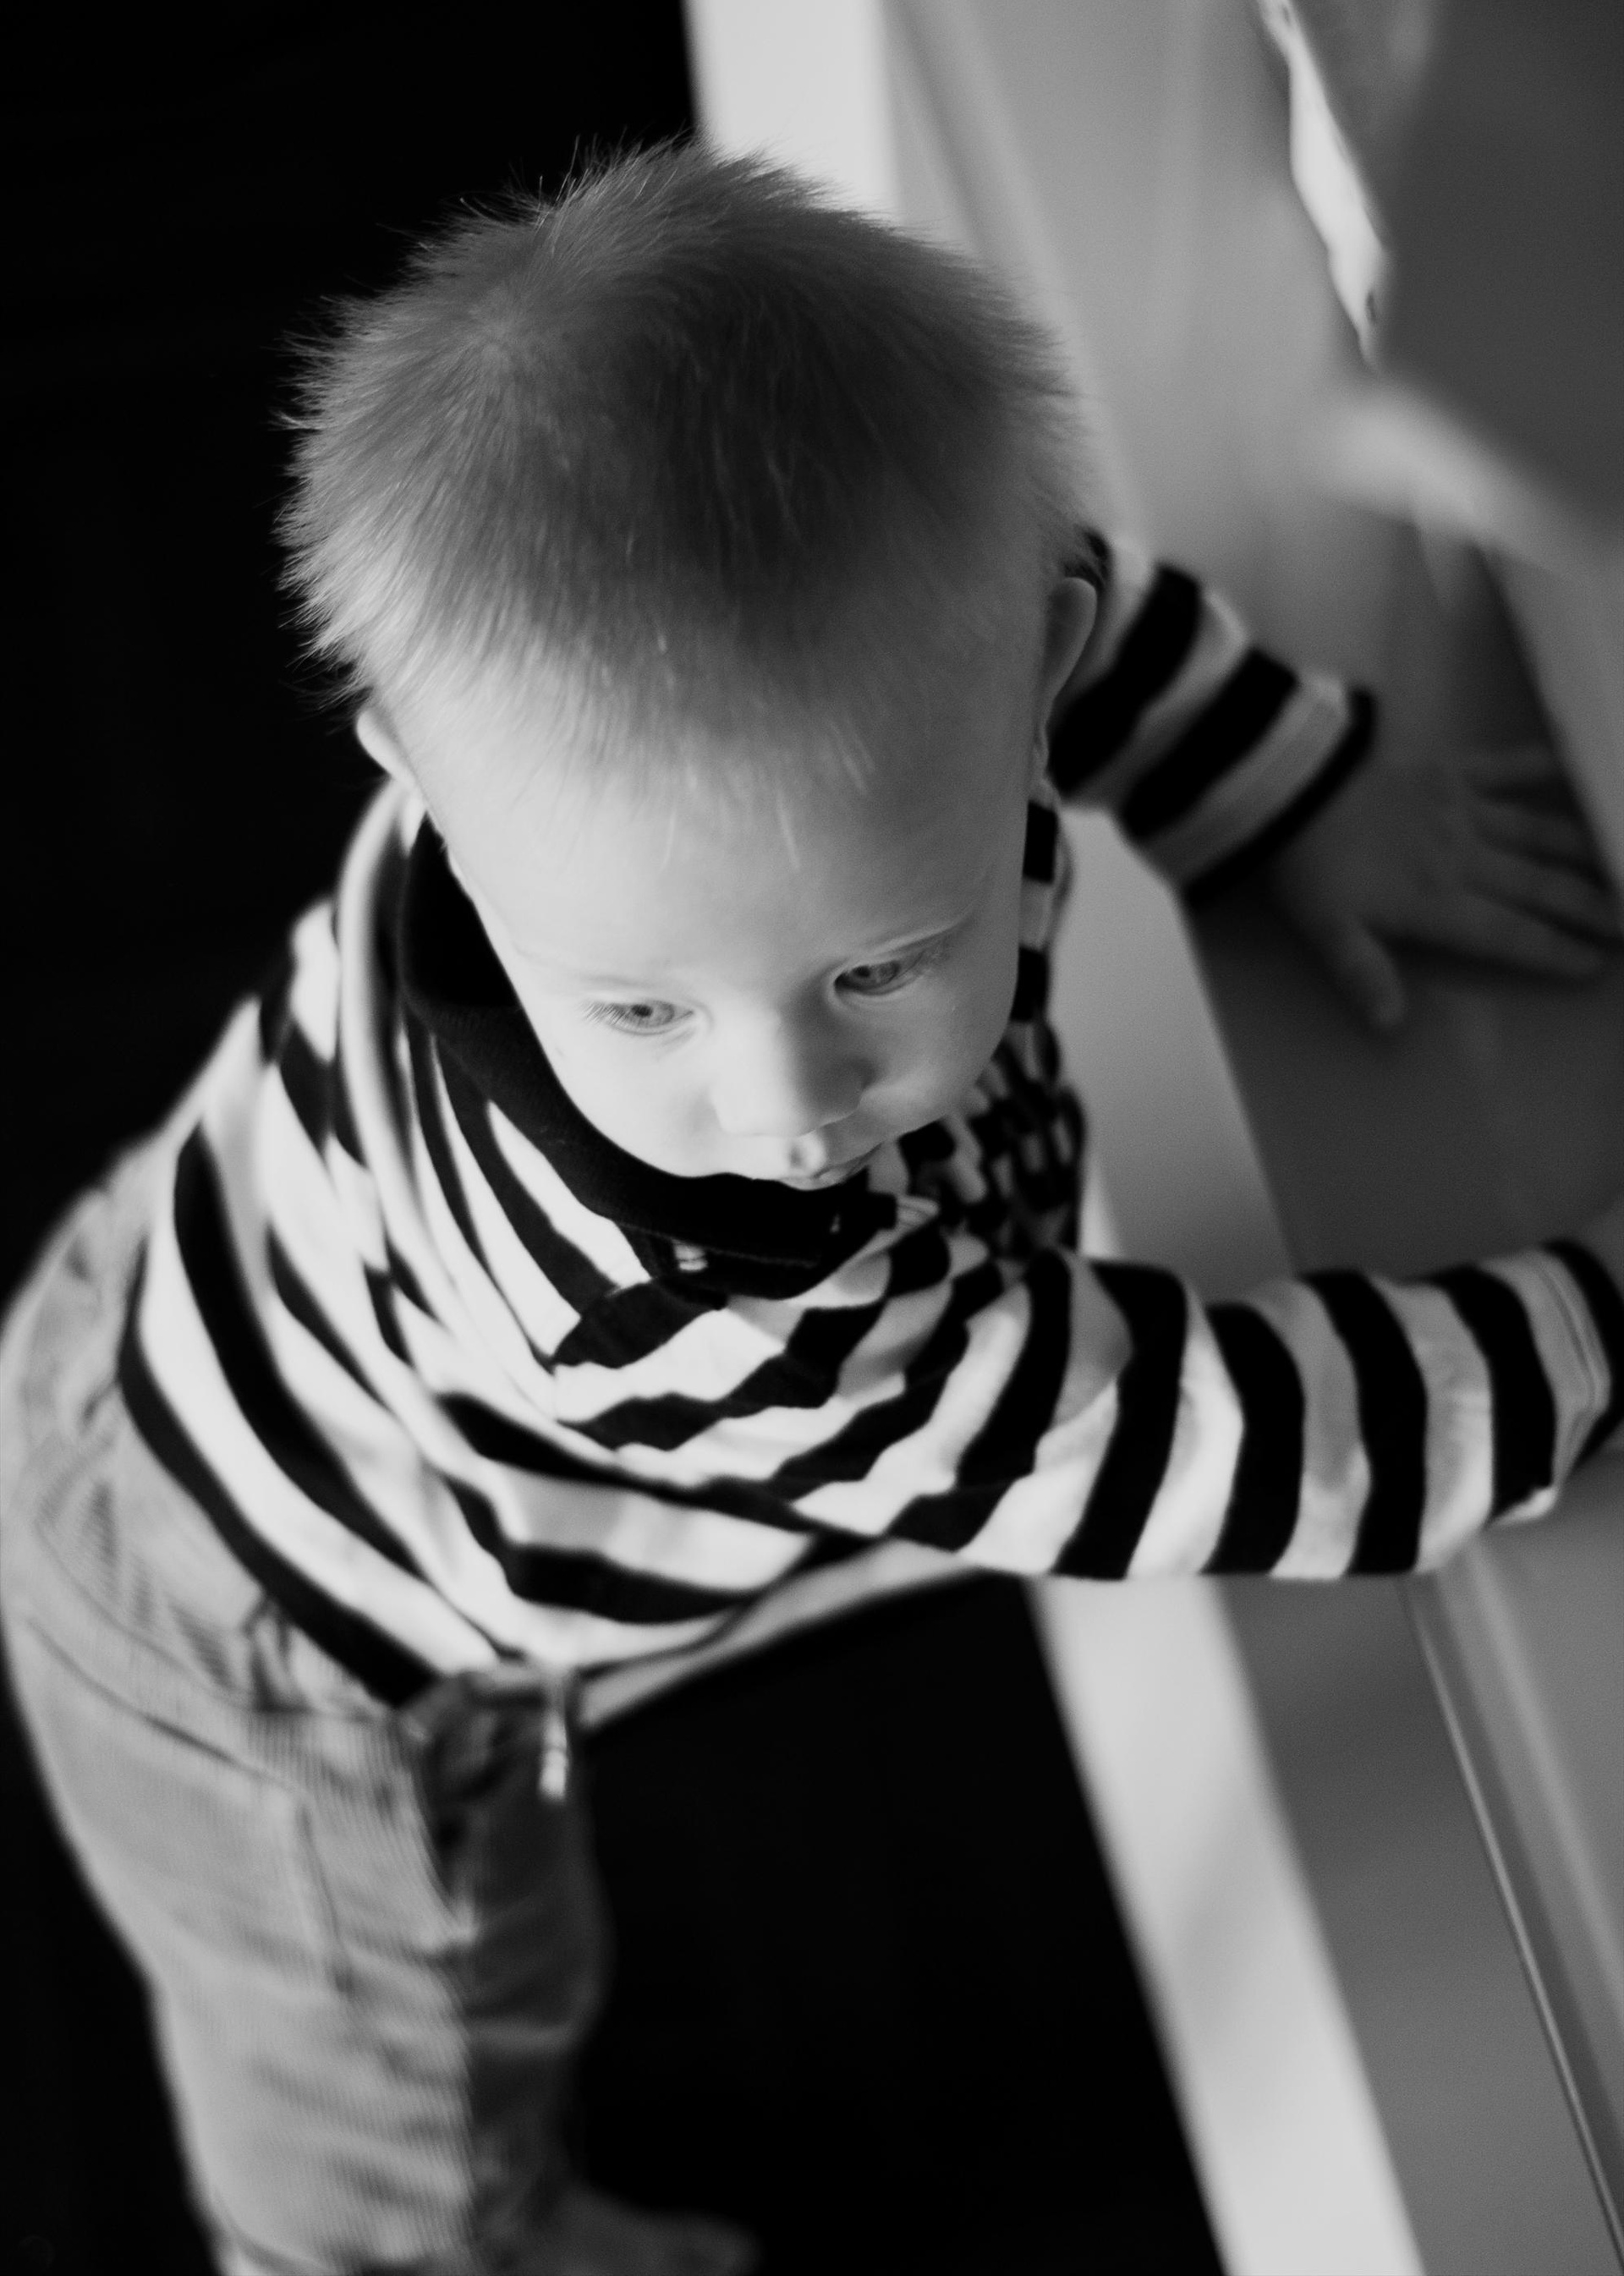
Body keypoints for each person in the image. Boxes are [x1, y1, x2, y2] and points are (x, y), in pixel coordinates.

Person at [3, 145, 1621, 2276]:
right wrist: (1594, 1330)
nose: (784, 1106)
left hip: (185, 1300)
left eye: (877, 968)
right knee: (412, 2058)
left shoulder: (731, 748)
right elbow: (1197, 1449)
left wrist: (1291, 789)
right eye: (644, 1008)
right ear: (424, 793)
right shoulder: (695, 1302)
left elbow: (1086, 610)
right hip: (279, 1653)